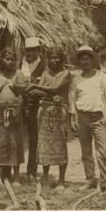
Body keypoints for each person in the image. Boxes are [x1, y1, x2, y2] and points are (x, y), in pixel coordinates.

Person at [69, 45, 106, 192]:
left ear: (92, 60)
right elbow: (72, 99)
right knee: (86, 151)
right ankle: (90, 179)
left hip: (98, 118)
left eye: (87, 59)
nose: (85, 62)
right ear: (79, 62)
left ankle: (105, 181)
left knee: (102, 151)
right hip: (82, 117)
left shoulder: (102, 76)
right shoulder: (76, 80)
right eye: (82, 59)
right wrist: (73, 118)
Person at [27, 46, 70, 190]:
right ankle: (45, 178)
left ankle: (62, 180)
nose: (54, 60)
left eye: (56, 57)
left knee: (61, 145)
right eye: (51, 57)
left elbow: (56, 88)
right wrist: (40, 91)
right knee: (44, 145)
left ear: (61, 58)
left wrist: (35, 87)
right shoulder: (45, 73)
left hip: (59, 112)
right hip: (45, 111)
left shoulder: (66, 73)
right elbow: (37, 92)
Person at [0, 47, 27, 207]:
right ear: (2, 60)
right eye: (6, 58)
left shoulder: (19, 74)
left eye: (12, 59)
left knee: (15, 143)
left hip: (15, 112)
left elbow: (22, 95)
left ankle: (16, 175)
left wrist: (18, 111)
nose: (9, 61)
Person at [20, 37, 46, 182]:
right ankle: (14, 171)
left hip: (35, 106)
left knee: (33, 139)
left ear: (38, 51)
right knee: (15, 136)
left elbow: (47, 87)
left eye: (33, 50)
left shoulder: (44, 66)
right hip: (18, 104)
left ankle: (32, 170)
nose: (29, 53)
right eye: (27, 50)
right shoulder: (19, 64)